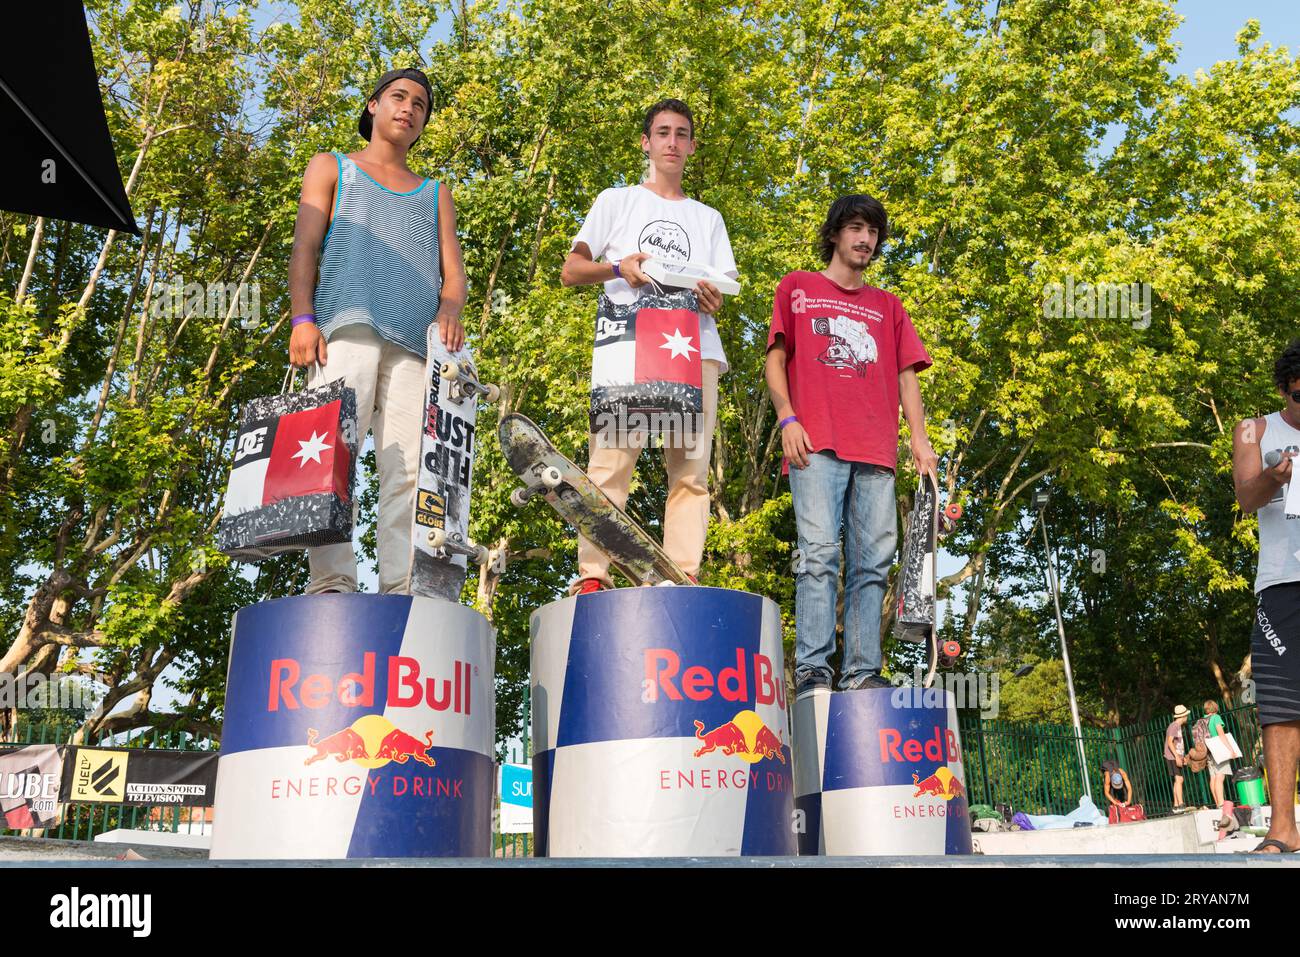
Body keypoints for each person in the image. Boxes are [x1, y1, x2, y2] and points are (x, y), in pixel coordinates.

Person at [288, 68, 468, 595]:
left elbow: (452, 274)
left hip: (416, 348)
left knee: (410, 471)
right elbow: (305, 247)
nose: (408, 108)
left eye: (420, 105)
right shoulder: (332, 166)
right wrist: (302, 318)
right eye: (398, 97)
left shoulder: (436, 193)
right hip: (345, 330)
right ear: (373, 105)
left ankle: (403, 585)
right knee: (328, 455)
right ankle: (332, 582)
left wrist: (450, 310)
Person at [561, 98, 737, 593]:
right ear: (646, 141)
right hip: (628, 344)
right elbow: (571, 270)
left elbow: (722, 291)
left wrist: (710, 296)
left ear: (692, 147)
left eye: (682, 134)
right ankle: (593, 576)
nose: (672, 143)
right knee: (611, 464)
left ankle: (682, 575)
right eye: (663, 132)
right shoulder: (616, 202)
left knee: (690, 470)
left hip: (691, 348)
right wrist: (619, 269)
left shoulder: (709, 219)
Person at [765, 195, 936, 693]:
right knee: (818, 555)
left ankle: (862, 672)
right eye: (856, 228)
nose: (865, 239)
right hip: (813, 445)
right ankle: (814, 669)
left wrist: (920, 443)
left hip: (877, 452)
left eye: (873, 232)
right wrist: (787, 418)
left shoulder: (889, 307)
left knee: (873, 563)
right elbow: (776, 360)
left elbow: (908, 378)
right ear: (836, 234)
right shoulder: (798, 288)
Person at [1232, 338, 1300, 852]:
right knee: (1280, 708)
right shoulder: (1255, 430)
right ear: (1283, 389)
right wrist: (1276, 479)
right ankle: (1282, 829)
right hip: (1282, 585)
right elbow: (1245, 496)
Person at [1201, 700, 1232, 807]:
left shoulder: (1203, 720)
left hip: (1208, 751)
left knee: (1213, 777)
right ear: (1215, 707)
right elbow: (1221, 734)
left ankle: (1217, 803)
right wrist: (1230, 749)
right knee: (1220, 776)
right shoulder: (1216, 718)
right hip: (1218, 749)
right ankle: (1221, 803)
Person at [1165, 704, 1190, 812]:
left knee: (1178, 780)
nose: (1187, 717)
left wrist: (1181, 756)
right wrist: (1176, 757)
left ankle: (1175, 805)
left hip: (1176, 757)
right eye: (1186, 715)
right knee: (1179, 779)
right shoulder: (1174, 726)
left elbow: (1177, 744)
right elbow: (1169, 742)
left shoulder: (1178, 726)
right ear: (1183, 716)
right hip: (1172, 757)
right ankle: (1181, 804)